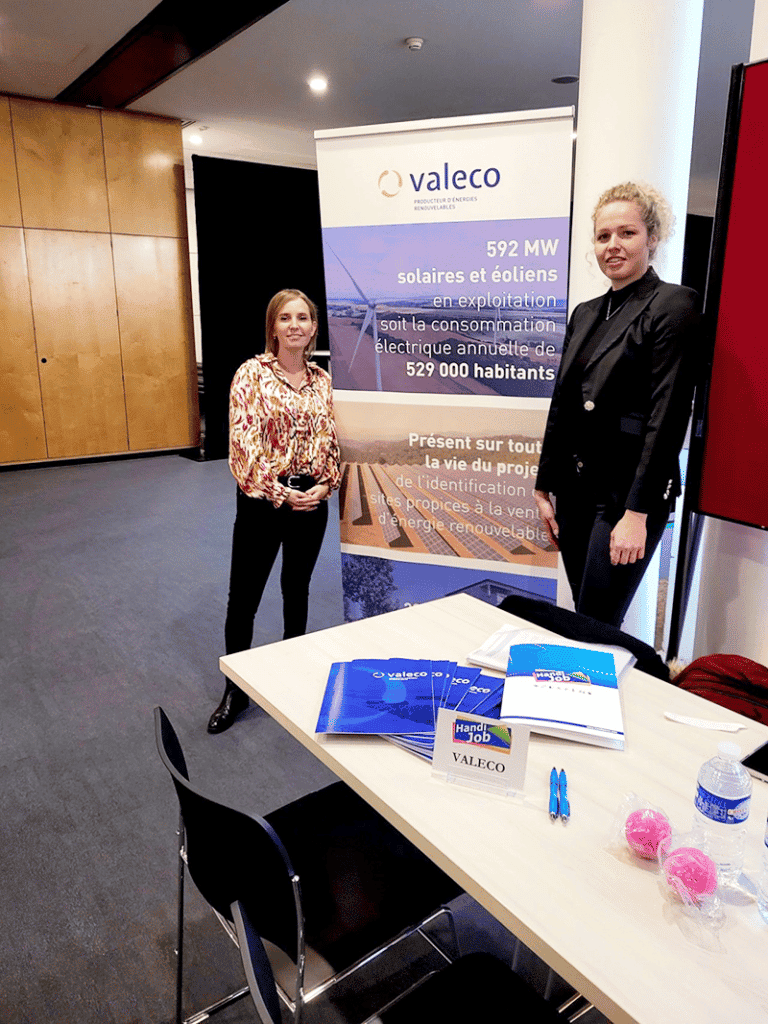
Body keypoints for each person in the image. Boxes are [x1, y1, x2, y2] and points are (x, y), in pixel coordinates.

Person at [533, 182, 700, 628]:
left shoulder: (674, 304)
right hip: (575, 490)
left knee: (597, 622)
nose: (613, 245)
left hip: (626, 496)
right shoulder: (585, 312)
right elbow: (563, 403)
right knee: (586, 617)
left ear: (652, 238)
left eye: (627, 233)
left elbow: (669, 414)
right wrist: (545, 484)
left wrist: (637, 513)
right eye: (603, 236)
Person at [208, 288, 341, 733]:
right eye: (285, 318)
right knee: (243, 599)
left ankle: (290, 672)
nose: (294, 325)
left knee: (296, 590)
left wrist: (326, 485)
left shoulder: (322, 381)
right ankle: (235, 690)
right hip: (263, 502)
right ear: (274, 327)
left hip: (311, 502)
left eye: (302, 318)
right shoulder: (251, 374)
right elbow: (242, 447)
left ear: (314, 327)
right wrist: (282, 493)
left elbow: (331, 442)